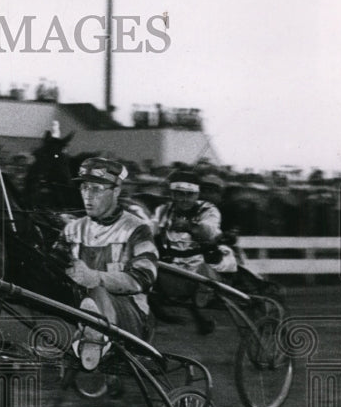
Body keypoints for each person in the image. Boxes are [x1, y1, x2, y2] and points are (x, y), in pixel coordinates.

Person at [56, 157, 159, 371]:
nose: (87, 195)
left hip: (131, 319)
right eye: (84, 187)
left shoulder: (136, 229)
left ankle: (91, 339)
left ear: (116, 190)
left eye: (96, 188)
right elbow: (52, 269)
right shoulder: (72, 229)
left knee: (97, 292)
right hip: (79, 312)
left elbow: (145, 277)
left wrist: (96, 277)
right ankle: (88, 335)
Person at [151, 169, 227, 334]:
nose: (185, 199)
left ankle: (203, 301)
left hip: (202, 264)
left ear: (196, 195)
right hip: (171, 267)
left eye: (189, 194)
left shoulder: (208, 209)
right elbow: (150, 230)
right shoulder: (163, 210)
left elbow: (210, 232)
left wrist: (190, 227)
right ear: (173, 194)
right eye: (180, 194)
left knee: (214, 268)